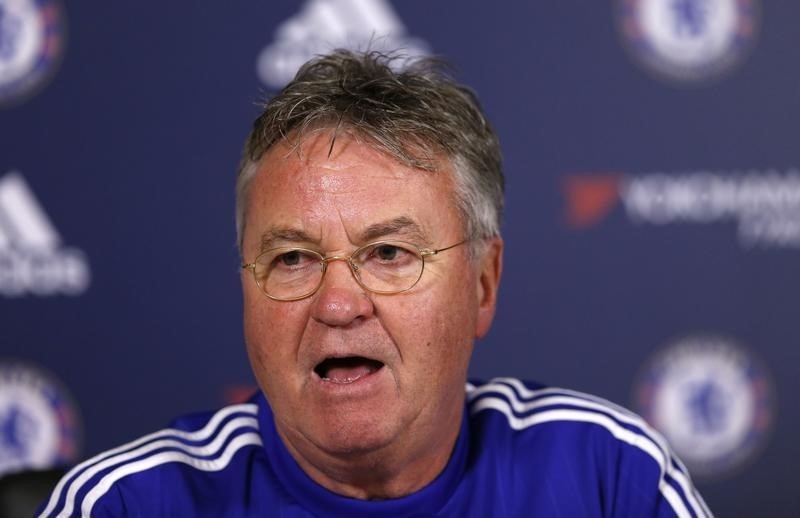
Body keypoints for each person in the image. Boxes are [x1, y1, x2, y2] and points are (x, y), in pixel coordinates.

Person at [39, 50, 710, 517]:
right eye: (293, 259)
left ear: (482, 282)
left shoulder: (610, 479)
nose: (337, 304)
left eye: (389, 253)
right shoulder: (124, 505)